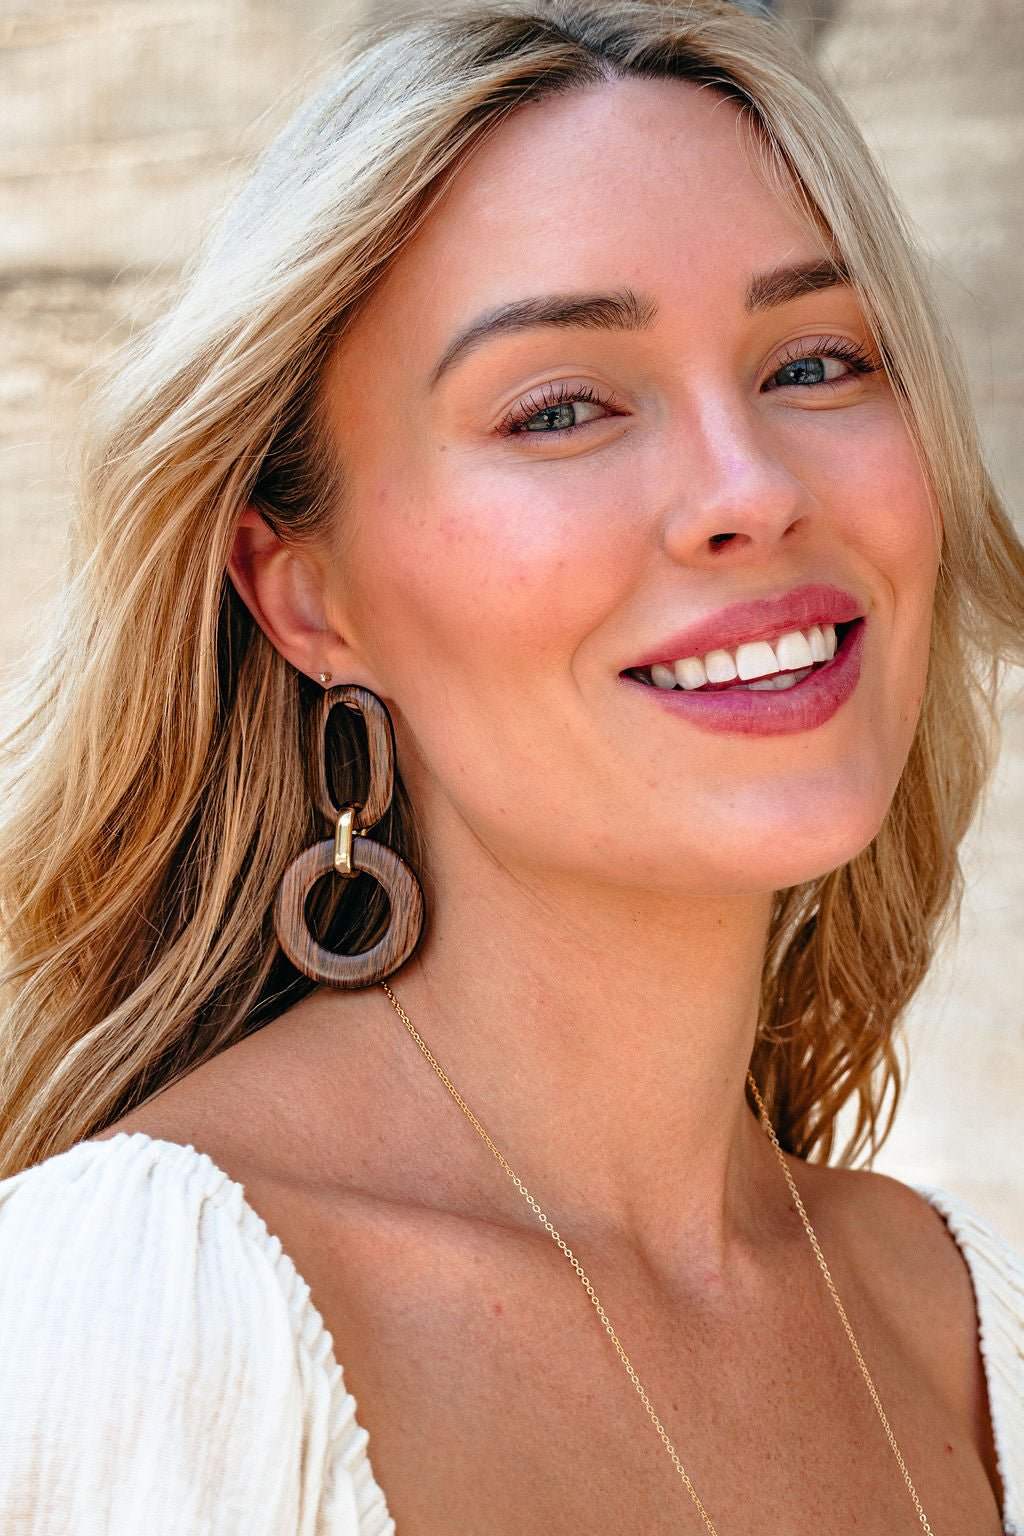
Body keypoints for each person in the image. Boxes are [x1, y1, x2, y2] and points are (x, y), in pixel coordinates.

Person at [0, 0, 1021, 1530]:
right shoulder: (130, 1322)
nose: (750, 490)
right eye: (559, 408)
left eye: (816, 362)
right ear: (307, 598)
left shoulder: (969, 1327)